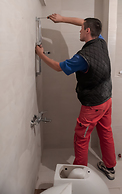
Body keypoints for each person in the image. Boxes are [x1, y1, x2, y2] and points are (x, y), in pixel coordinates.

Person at [35, 13, 116, 180]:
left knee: (82, 137)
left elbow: (59, 67)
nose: (79, 31)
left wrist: (40, 55)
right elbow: (87, 23)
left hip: (93, 105)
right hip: (107, 99)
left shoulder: (82, 58)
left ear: (87, 31)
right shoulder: (101, 41)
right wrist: (62, 19)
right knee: (106, 132)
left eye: (81, 29)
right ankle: (110, 166)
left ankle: (80, 175)